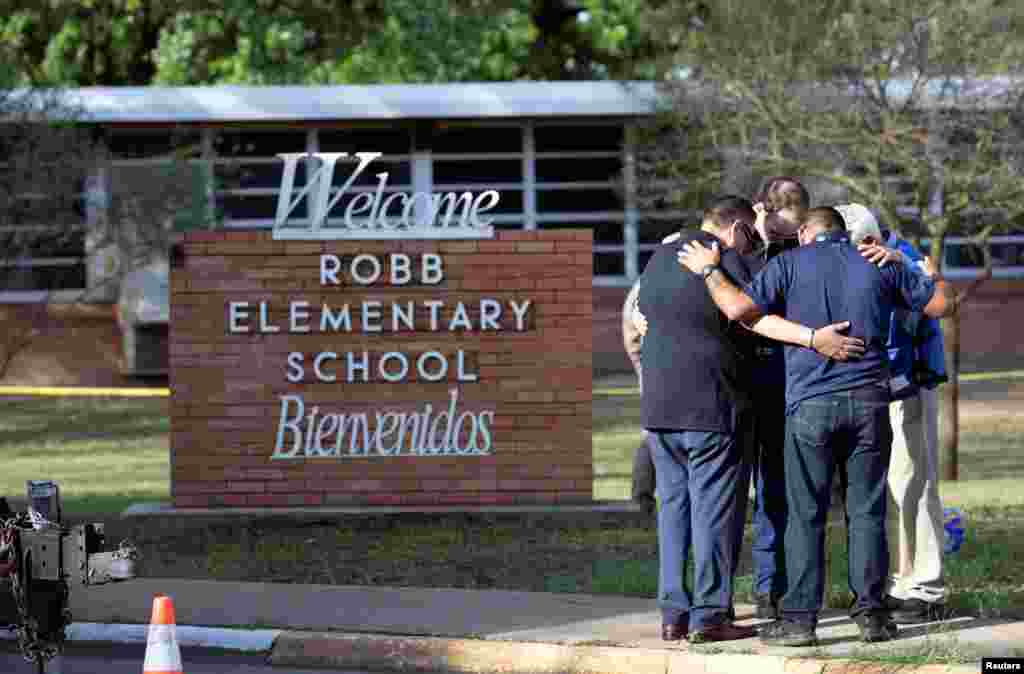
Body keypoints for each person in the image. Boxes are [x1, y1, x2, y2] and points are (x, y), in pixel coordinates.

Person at [677, 206, 958, 647]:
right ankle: (873, 616)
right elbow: (941, 305)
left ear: (807, 232)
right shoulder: (879, 261)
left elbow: (736, 308)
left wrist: (710, 270)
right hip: (869, 403)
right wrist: (929, 272)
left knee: (805, 514)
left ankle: (800, 622)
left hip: (810, 406)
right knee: (866, 512)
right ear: (844, 234)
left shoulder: (788, 263)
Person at [638, 196, 864, 644]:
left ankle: (672, 613)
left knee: (674, 512)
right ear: (739, 228)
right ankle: (709, 615)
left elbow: (647, 316)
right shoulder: (724, 260)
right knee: (714, 514)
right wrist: (812, 338)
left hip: (659, 407)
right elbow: (751, 314)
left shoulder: (658, 257)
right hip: (712, 406)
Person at [838, 203, 950, 624]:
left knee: (913, 485)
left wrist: (910, 268)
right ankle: (886, 584)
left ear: (868, 241)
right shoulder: (857, 256)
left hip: (907, 386)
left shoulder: (902, 258)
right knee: (879, 490)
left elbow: (938, 304)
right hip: (866, 389)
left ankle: (923, 588)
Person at [622, 278, 657, 515]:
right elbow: (633, 332)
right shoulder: (649, 283)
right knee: (653, 432)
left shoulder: (647, 279)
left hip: (651, 360)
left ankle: (641, 495)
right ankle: (641, 496)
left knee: (653, 430)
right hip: (655, 361)